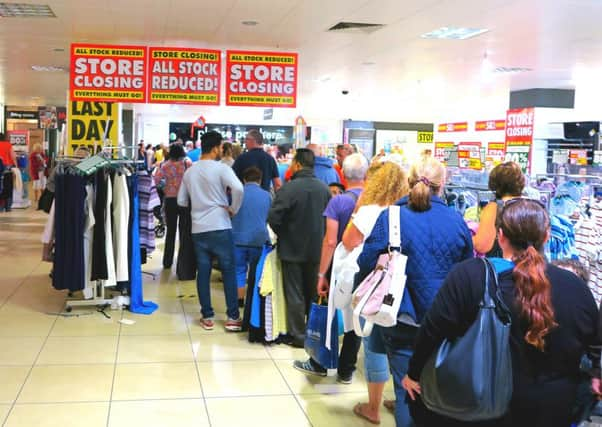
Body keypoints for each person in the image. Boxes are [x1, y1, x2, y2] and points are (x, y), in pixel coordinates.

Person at [403, 199, 600, 427]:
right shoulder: (575, 287)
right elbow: (594, 343)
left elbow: (433, 329)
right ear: (547, 237)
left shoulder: (470, 276)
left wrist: (413, 373)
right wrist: (596, 373)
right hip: (552, 408)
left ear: (501, 236)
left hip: (480, 404)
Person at [357, 157, 474, 427]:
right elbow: (466, 272)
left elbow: (365, 262)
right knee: (437, 390)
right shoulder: (456, 221)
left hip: (401, 315)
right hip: (445, 321)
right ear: (442, 184)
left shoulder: (391, 217)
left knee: (405, 391)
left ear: (409, 181)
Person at [341, 161, 409, 424]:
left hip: (371, 284)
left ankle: (373, 407)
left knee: (373, 345)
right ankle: (398, 398)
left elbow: (348, 241)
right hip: (399, 286)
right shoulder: (406, 212)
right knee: (398, 345)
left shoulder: (368, 210)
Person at [293, 153, 369, 383]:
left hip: (340, 268)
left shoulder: (339, 201)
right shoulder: (375, 201)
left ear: (343, 175)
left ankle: (321, 362)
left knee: (331, 312)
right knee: (355, 317)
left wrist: (321, 274)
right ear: (366, 174)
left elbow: (330, 241)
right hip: (365, 268)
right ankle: (347, 369)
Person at [177, 131, 244, 332]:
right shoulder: (221, 169)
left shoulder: (190, 171)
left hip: (199, 229)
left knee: (203, 271)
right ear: (216, 148)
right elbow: (239, 189)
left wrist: (198, 204)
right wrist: (233, 209)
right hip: (221, 225)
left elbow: (181, 200)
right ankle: (232, 317)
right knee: (229, 269)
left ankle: (207, 316)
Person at [267, 148, 331, 347]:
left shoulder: (289, 188)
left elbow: (273, 217)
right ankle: (313, 333)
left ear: (298, 164)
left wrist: (284, 234)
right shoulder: (324, 189)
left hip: (291, 249)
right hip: (317, 251)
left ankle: (298, 335)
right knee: (313, 293)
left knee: (294, 293)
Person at [231, 166, 271, 306]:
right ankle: (253, 303)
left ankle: (239, 299)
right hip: (259, 239)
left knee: (239, 270)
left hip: (237, 239)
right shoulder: (267, 195)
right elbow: (269, 217)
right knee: (256, 272)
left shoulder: (236, 194)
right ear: (260, 180)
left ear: (243, 179)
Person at [473, 162, 525, 257]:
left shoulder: (493, 208)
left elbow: (482, 245)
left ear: (494, 184)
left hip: (501, 267)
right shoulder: (534, 208)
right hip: (531, 267)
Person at [154, 144, 192, 269]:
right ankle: (183, 263)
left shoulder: (165, 165)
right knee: (184, 232)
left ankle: (167, 262)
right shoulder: (187, 163)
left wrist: (166, 187)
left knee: (170, 232)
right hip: (185, 200)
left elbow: (156, 180)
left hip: (170, 200)